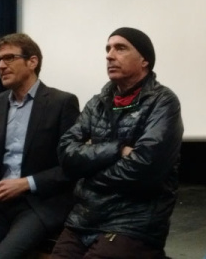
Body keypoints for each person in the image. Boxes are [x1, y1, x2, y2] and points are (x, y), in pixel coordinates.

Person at [50, 27, 183, 259]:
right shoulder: (97, 103)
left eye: (120, 48)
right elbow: (66, 154)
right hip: (84, 219)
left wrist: (88, 170)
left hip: (132, 223)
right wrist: (118, 149)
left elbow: (144, 168)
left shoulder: (163, 102)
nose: (109, 55)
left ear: (144, 61)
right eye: (108, 49)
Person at [0, 33, 80, 259]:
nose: (1, 65)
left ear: (32, 62)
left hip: (40, 204)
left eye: (9, 58)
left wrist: (25, 183)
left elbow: (71, 167)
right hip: (1, 203)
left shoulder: (62, 103)